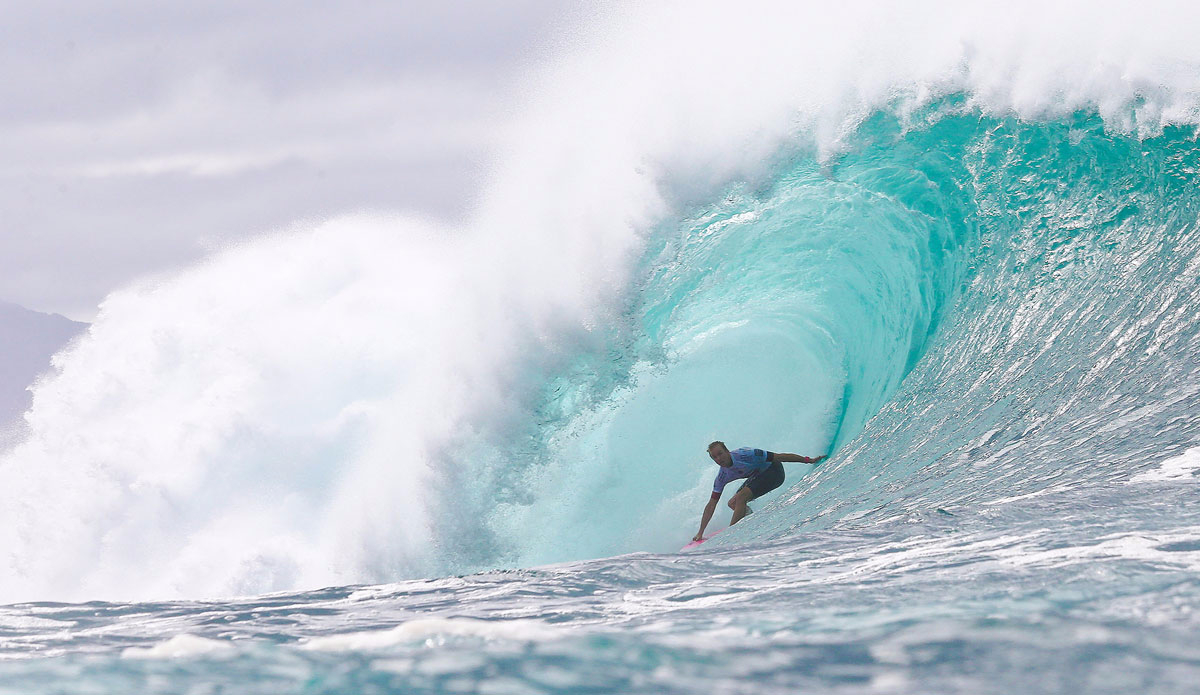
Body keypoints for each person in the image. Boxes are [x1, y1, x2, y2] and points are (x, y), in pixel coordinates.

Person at [693, 440, 826, 542]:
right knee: (733, 503)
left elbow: (780, 457)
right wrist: (700, 532)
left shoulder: (746, 454)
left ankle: (731, 533)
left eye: (720, 454)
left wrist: (808, 460)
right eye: (715, 457)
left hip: (775, 472)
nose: (719, 459)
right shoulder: (722, 476)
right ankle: (749, 519)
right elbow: (711, 504)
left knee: (741, 498)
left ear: (727, 451)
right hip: (758, 476)